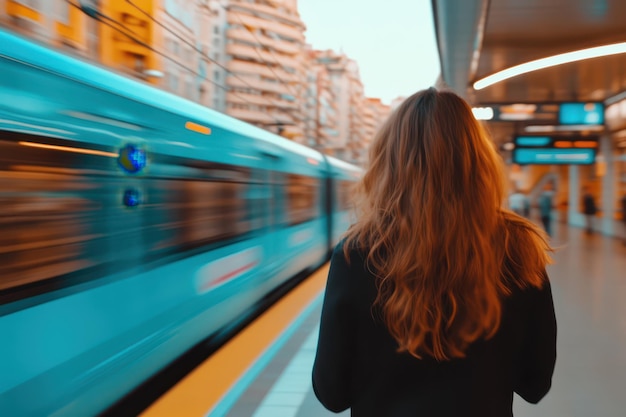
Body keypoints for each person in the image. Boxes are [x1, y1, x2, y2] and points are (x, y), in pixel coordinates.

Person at [312, 88, 556, 417]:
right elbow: (535, 384)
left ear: (388, 162)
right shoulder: (518, 247)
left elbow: (332, 393)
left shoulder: (357, 254)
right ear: (478, 160)